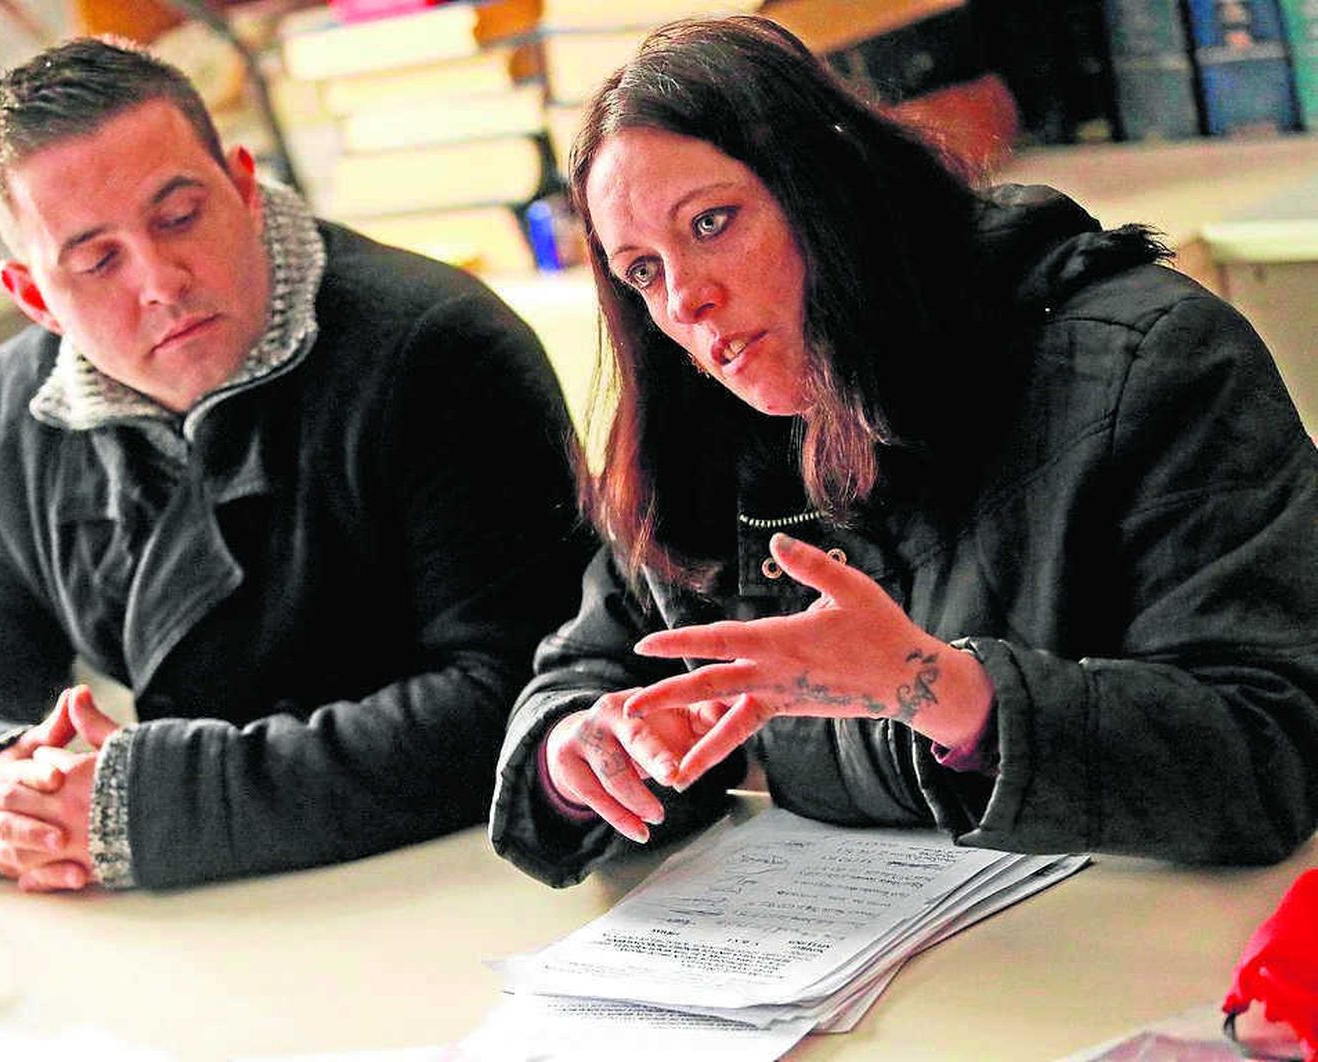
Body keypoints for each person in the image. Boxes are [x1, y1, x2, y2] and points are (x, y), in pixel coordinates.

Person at [489, 16, 1318, 889]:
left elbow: (1274, 750)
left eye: (712, 222)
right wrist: (579, 757)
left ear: (829, 188)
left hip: (1141, 945)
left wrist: (949, 694)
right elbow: (591, 668)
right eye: (644, 272)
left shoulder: (1147, 361)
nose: (688, 299)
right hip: (870, 962)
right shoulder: (703, 430)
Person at [0, 37, 591, 893]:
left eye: (179, 217)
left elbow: (516, 700)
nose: (160, 280)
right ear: (33, 297)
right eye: (97, 261)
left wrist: (152, 807)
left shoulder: (438, 351)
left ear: (246, 188)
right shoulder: (7, 408)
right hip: (218, 900)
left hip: (461, 876)